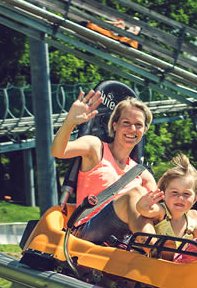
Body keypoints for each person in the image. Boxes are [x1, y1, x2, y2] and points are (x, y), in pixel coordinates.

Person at [51, 90, 158, 244]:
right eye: (126, 123)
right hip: (87, 232)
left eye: (138, 125)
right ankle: (153, 252)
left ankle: (164, 253)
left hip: (125, 239)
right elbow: (58, 151)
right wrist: (70, 122)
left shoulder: (143, 175)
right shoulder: (95, 148)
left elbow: (158, 213)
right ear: (115, 125)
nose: (132, 129)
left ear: (144, 130)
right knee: (136, 193)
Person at [130, 154, 197, 262]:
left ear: (195, 199)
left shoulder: (192, 218)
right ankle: (172, 255)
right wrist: (143, 203)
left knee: (196, 217)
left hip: (180, 265)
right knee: (167, 242)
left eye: (186, 194)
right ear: (164, 194)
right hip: (154, 261)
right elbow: (143, 210)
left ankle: (192, 256)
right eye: (174, 192)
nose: (180, 198)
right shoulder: (162, 212)